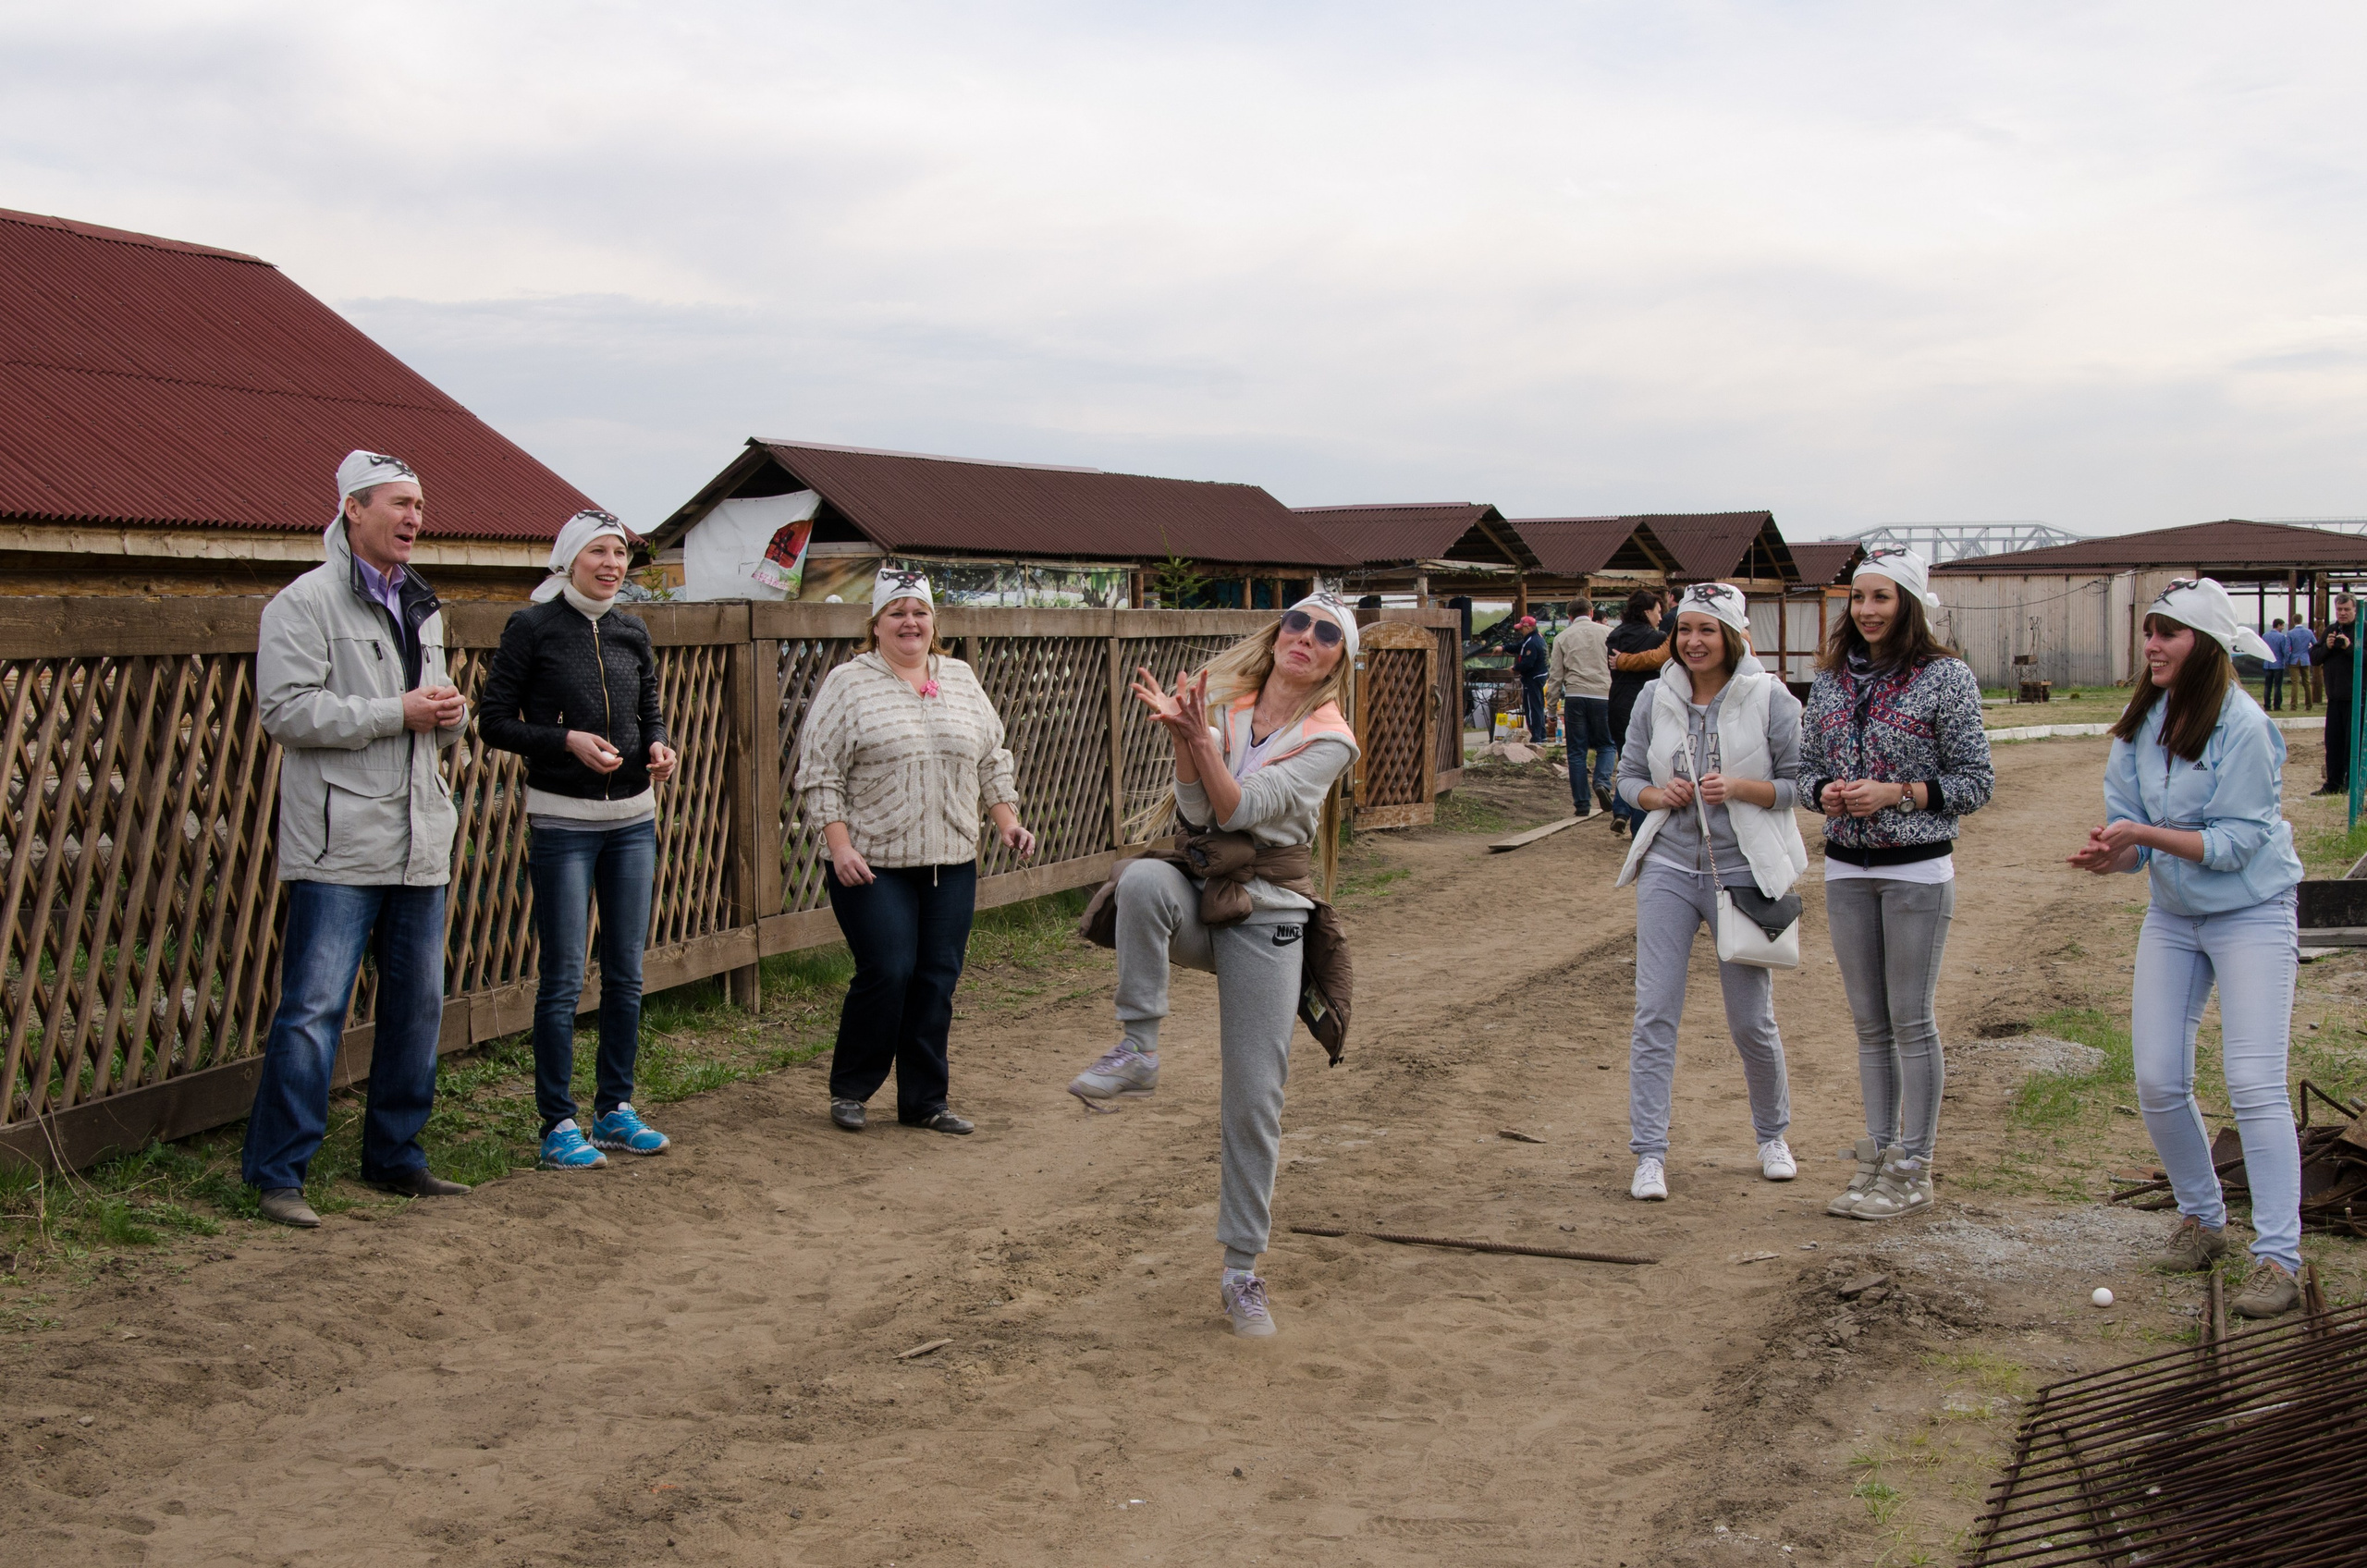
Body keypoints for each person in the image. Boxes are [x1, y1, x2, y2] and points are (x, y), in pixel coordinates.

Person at [1064, 596, 1361, 1337]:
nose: (1307, 637)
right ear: (1279, 633)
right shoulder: (1227, 704)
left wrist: (1198, 739)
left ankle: (1241, 1272)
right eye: (1298, 623)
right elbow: (1196, 815)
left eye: (1327, 634)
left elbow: (1239, 811)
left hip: (1271, 915)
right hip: (1207, 893)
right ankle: (1139, 1047)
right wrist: (1184, 740)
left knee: (1253, 1098)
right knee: (1139, 881)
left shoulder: (1331, 739)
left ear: (1336, 660)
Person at [241, 451, 472, 1229]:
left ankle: (396, 1158)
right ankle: (279, 1174)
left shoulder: (424, 605)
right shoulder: (302, 605)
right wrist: (393, 713)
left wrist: (447, 715)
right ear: (353, 509)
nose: (414, 518)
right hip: (340, 843)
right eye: (399, 503)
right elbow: (286, 712)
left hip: (419, 838)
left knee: (416, 1008)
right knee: (312, 1011)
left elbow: (426, 719)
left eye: (420, 505)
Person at [2069, 579, 2304, 1318]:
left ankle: (2278, 1258)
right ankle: (2203, 1220)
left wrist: (2142, 839)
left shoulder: (2244, 726)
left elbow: (2235, 846)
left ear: (2202, 644)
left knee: (2254, 1083)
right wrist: (2120, 854)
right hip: (2175, 916)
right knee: (2157, 1079)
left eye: (2167, 633)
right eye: (2148, 631)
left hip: (2252, 912)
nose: (2150, 646)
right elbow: (2128, 821)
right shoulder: (2144, 721)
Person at [794, 568, 1036, 1135]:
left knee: (936, 977)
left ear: (934, 623)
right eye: (897, 612)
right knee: (889, 969)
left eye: (920, 612)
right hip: (871, 862)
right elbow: (819, 773)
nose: (910, 622)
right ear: (875, 624)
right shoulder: (848, 684)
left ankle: (925, 1102)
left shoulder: (960, 678)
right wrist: (840, 845)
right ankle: (851, 1088)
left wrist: (1008, 822)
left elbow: (991, 758)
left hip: (951, 857)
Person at [478, 510, 681, 1171]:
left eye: (620, 553)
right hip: (562, 822)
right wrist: (563, 740)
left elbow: (649, 708)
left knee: (626, 972)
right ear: (569, 559)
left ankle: (615, 1110)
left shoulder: (631, 629)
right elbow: (494, 722)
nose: (611, 564)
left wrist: (657, 746)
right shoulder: (531, 627)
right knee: (564, 977)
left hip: (631, 821)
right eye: (598, 551)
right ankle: (558, 1122)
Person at [1798, 548, 1993, 1221]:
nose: (1867, 610)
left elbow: (1975, 783)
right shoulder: (1828, 682)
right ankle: (1876, 1158)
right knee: (1869, 1025)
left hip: (1917, 870)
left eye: (1881, 598)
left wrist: (1897, 794)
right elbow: (1805, 770)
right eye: (1859, 598)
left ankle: (1915, 1167)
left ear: (1908, 603)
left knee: (1911, 1021)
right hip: (1846, 870)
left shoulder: (1946, 678)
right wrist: (1823, 791)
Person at [1613, 581, 1809, 1202]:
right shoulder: (1654, 696)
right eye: (1685, 629)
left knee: (1752, 1020)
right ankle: (1649, 1153)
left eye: (1708, 630)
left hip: (1742, 872)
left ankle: (1772, 1135)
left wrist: (1744, 789)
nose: (1694, 642)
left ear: (1733, 636)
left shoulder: (1769, 697)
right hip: (1669, 866)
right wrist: (1652, 797)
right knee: (1654, 1014)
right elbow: (1627, 775)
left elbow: (1801, 781)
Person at [1604, 590, 1670, 839]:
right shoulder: (1658, 638)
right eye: (1658, 611)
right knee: (1649, 766)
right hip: (1647, 703)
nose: (1660, 617)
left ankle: (1621, 810)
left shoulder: (1614, 635)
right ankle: (1640, 826)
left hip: (1618, 701)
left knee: (1627, 760)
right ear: (1646, 612)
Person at [1550, 600, 1614, 816]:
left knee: (1576, 752)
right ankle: (1602, 782)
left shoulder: (1562, 637)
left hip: (1576, 697)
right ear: (1591, 612)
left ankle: (1582, 804)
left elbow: (1555, 676)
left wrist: (1551, 710)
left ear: (1569, 616)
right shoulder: (1609, 633)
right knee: (1607, 744)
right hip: (1604, 695)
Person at [2318, 596, 2356, 796]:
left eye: (2346, 609)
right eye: (2339, 609)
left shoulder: (2363, 630)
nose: (2342, 613)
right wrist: (2328, 646)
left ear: (2355, 610)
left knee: (2353, 744)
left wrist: (2349, 647)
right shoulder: (2330, 631)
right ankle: (2333, 784)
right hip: (2334, 698)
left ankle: (2352, 785)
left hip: (2357, 699)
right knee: (2333, 744)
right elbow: (2314, 657)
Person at [1513, 614, 1551, 742]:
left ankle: (1536, 736)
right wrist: (1504, 648)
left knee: (1531, 707)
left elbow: (1528, 663)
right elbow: (1519, 646)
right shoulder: (1537, 637)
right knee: (1538, 706)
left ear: (1528, 628)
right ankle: (1542, 734)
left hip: (1532, 678)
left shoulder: (1531, 642)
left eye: (1522, 628)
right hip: (1541, 676)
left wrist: (1515, 668)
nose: (1520, 631)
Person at [2287, 616, 2318, 709]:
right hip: (2305, 659)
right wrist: (2308, 652)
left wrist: (2287, 659)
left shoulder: (2290, 633)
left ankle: (2294, 705)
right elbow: (2315, 644)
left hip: (2294, 659)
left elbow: (2287, 649)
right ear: (2302, 620)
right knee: (2307, 683)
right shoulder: (2309, 632)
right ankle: (2309, 705)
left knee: (2295, 683)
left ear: (2293, 621)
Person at [2262, 619, 2288, 713]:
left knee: (2267, 686)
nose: (2283, 627)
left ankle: (2267, 706)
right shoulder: (2281, 637)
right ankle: (2277, 706)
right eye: (2282, 625)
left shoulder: (2265, 635)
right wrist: (2287, 659)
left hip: (2267, 664)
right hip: (2278, 664)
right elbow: (2284, 650)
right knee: (2277, 686)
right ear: (2279, 625)